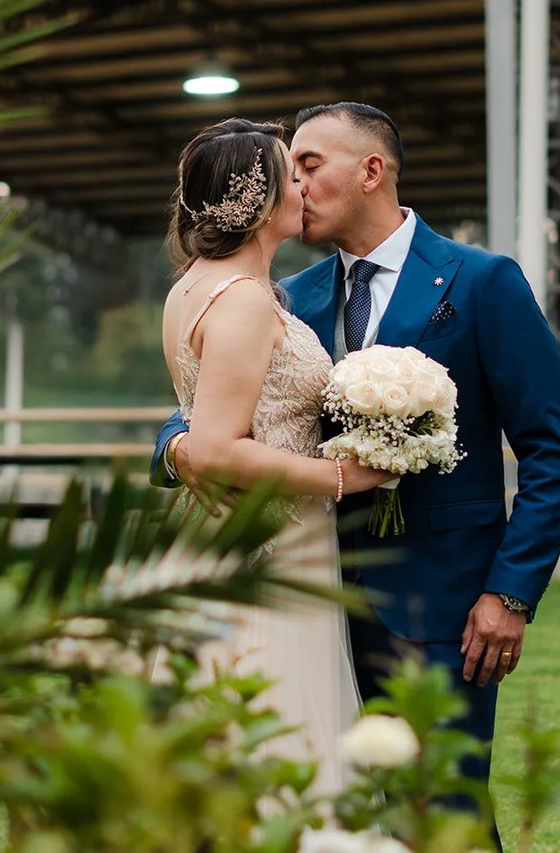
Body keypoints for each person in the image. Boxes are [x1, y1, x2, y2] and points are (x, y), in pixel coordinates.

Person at [154, 103, 560, 832]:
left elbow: (551, 451)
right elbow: (217, 399)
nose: (295, 185)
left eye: (309, 167)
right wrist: (176, 444)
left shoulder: (482, 283)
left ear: (371, 171)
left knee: (443, 813)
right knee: (330, 803)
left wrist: (509, 595)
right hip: (311, 593)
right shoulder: (292, 296)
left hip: (441, 604)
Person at [157, 117, 392, 791]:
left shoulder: (193, 288)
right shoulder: (245, 302)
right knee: (276, 728)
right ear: (259, 200)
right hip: (273, 538)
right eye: (295, 173)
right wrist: (342, 475)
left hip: (228, 529)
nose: (306, 187)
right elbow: (215, 444)